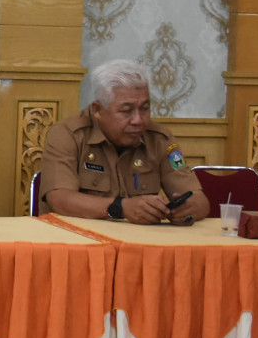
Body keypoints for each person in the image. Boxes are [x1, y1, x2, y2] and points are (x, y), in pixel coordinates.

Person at [40, 59, 210, 225]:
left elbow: (200, 200)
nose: (138, 120)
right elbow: (59, 199)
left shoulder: (159, 139)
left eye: (144, 108)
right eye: (126, 111)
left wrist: (188, 209)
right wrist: (120, 208)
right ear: (98, 110)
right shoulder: (67, 134)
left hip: (141, 245)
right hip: (80, 242)